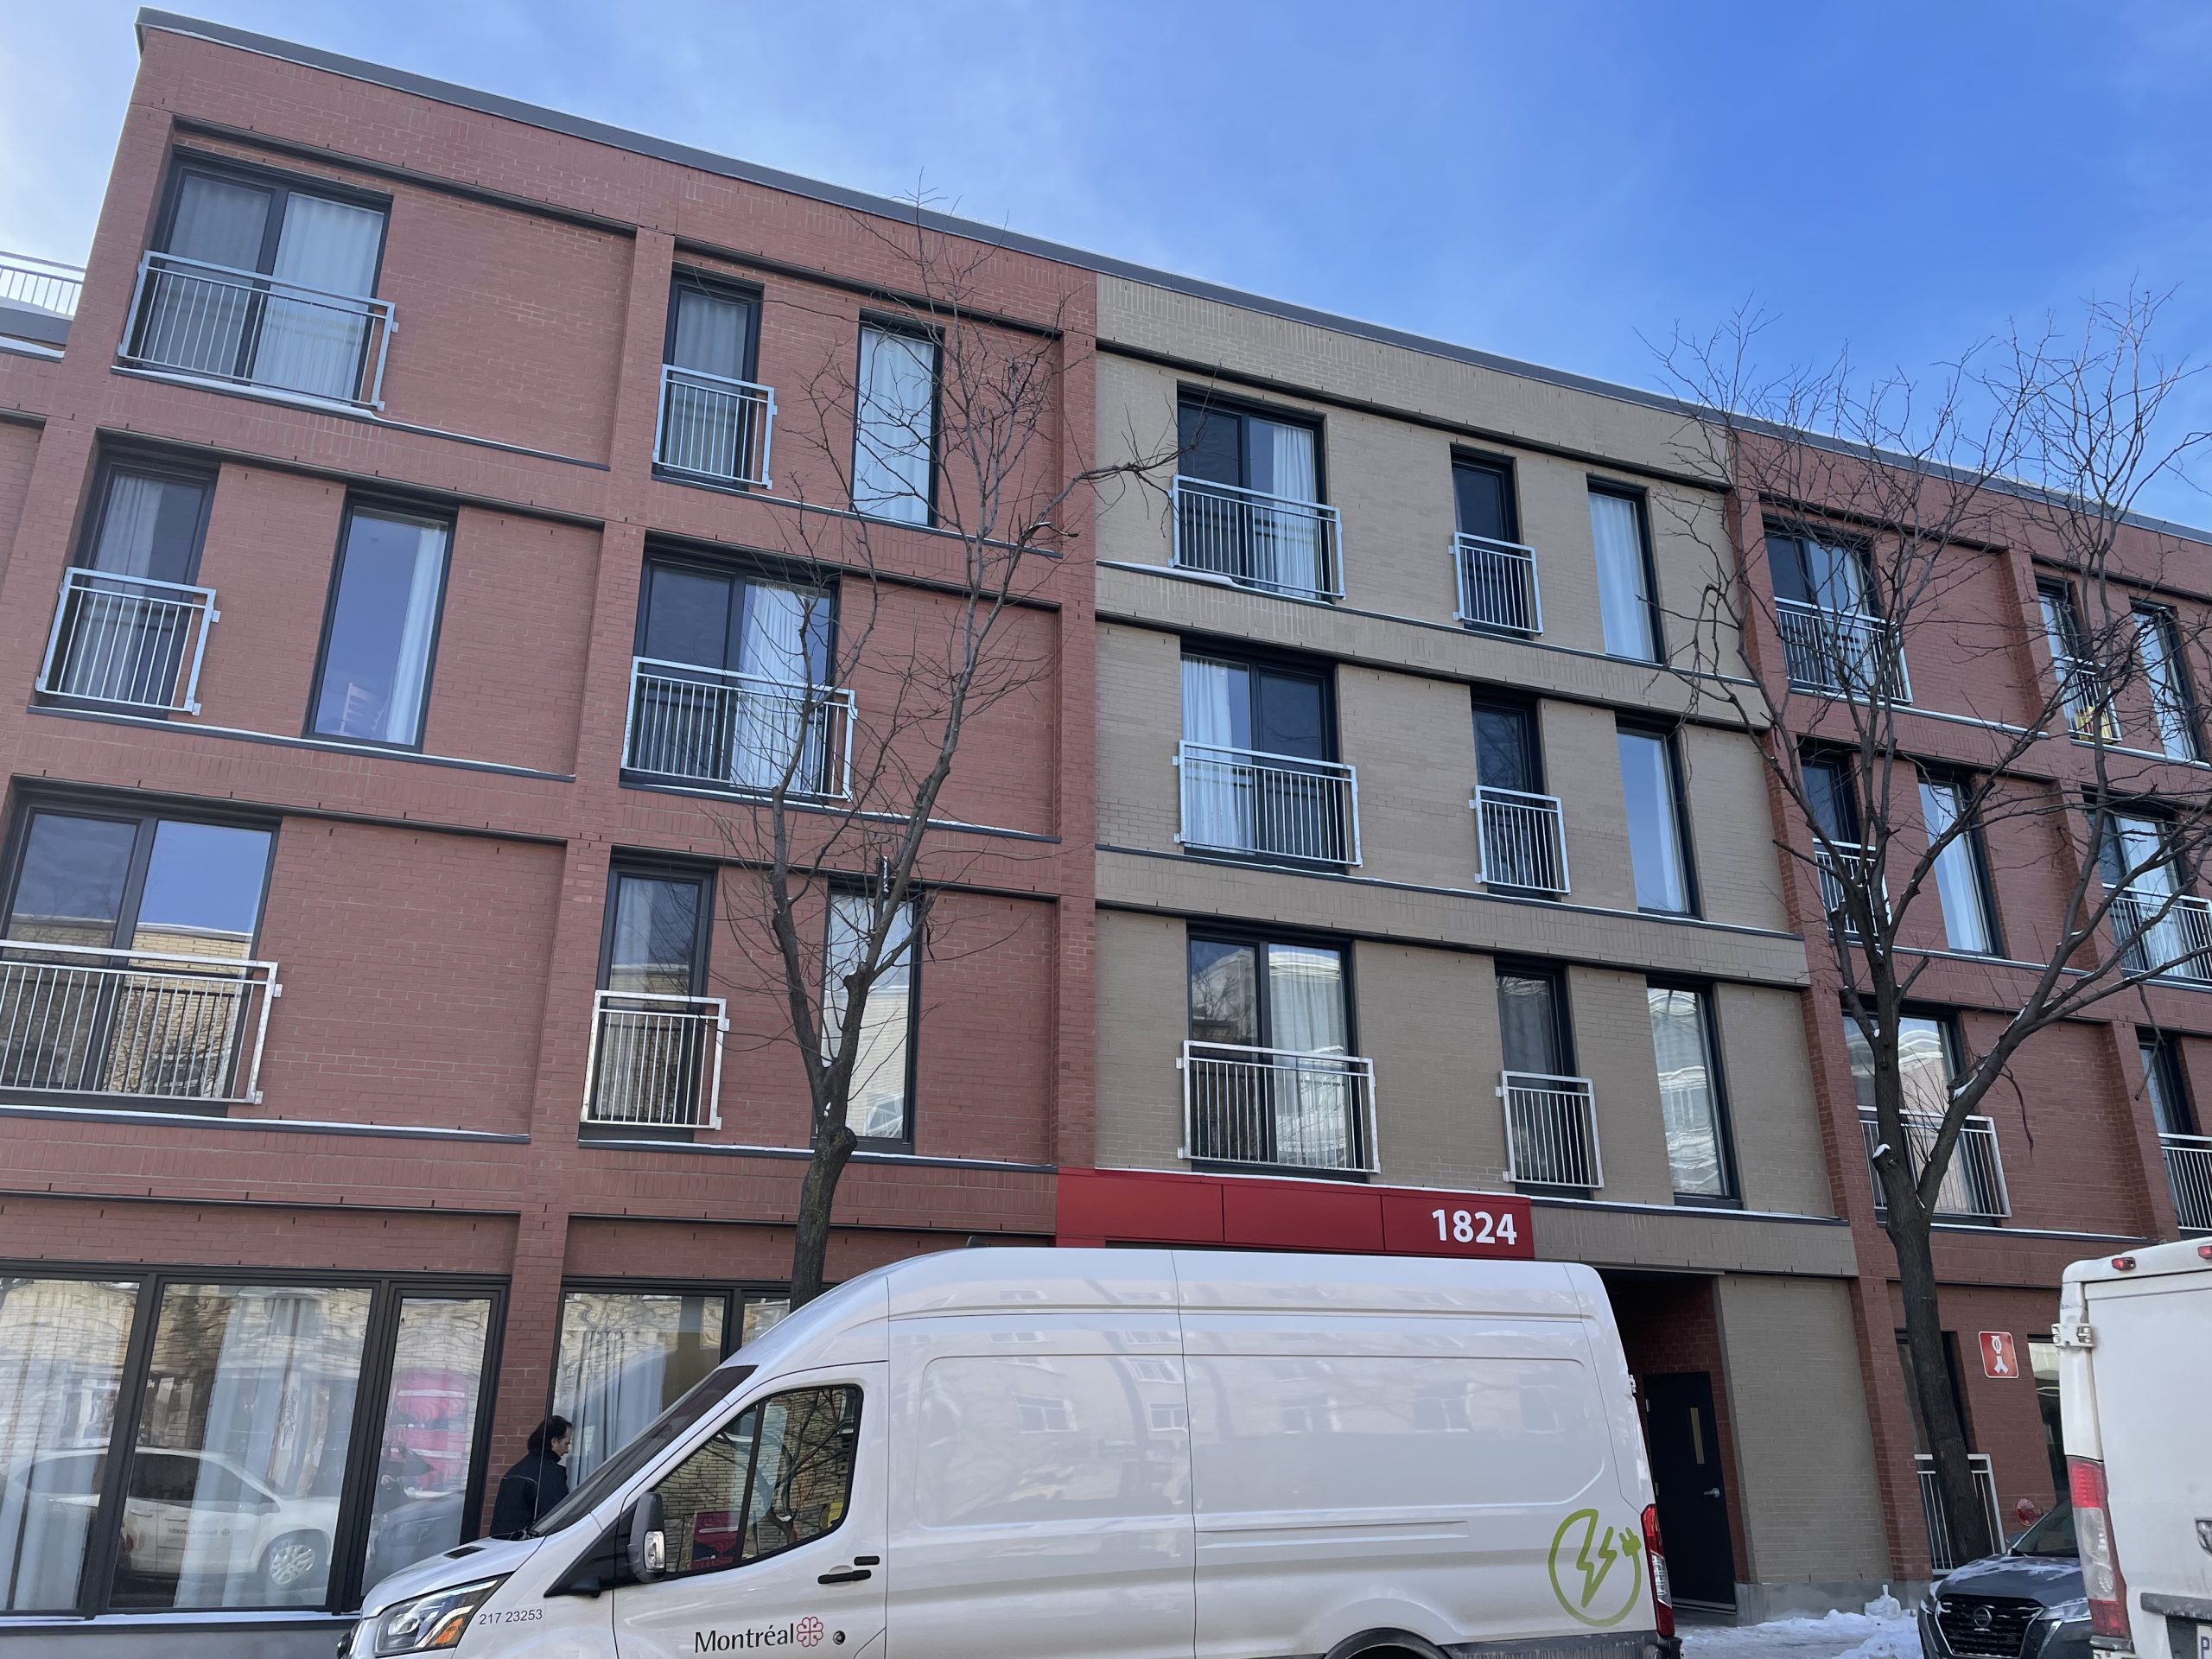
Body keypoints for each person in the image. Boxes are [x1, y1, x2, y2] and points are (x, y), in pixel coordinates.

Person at [489, 1416, 571, 1537]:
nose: (567, 1450)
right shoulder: (549, 1473)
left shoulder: (516, 1470)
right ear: (554, 1442)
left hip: (503, 1544)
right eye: (566, 1443)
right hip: (529, 1546)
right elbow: (557, 1518)